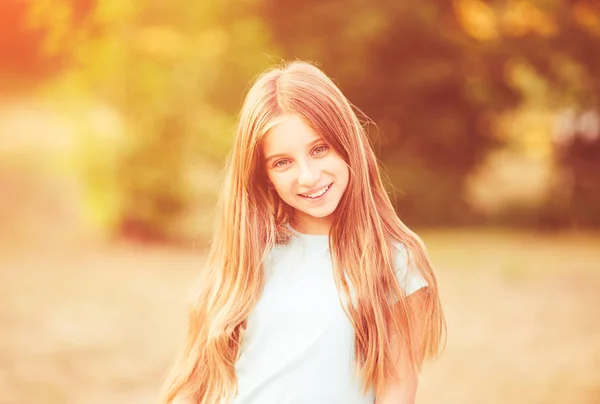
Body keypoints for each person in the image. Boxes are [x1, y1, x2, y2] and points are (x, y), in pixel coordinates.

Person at [162, 60, 446, 404]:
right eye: (282, 162)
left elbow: (396, 389)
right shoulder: (250, 255)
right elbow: (194, 382)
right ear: (263, 175)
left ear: (347, 144)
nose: (308, 176)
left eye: (319, 149)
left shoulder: (395, 261)